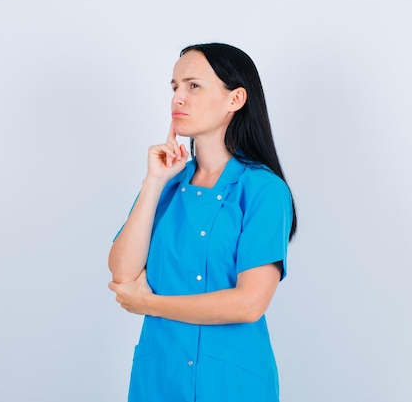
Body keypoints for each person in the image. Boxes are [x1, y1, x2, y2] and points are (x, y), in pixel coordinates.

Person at [108, 42, 297, 402]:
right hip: (159, 377)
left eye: (193, 85)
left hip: (230, 383)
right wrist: (153, 182)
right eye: (174, 87)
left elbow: (249, 303)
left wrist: (149, 304)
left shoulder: (263, 190)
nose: (178, 98)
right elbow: (122, 273)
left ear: (235, 99)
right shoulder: (168, 183)